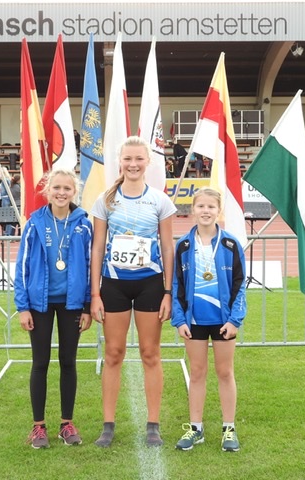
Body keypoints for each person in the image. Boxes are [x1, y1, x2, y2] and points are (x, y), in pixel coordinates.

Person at [90, 135, 176, 448]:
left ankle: (153, 424)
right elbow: (97, 247)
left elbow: (168, 247)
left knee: (150, 353)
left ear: (147, 162)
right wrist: (95, 293)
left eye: (139, 159)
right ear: (120, 162)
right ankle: (108, 425)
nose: (133, 164)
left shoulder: (160, 201)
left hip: (150, 283)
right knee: (113, 353)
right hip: (114, 284)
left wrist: (168, 291)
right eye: (128, 159)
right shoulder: (106, 200)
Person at [14, 169, 93, 449]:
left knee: (68, 362)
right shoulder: (35, 223)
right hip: (40, 304)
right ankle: (38, 427)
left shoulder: (84, 224)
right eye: (56, 188)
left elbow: (89, 265)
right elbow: (22, 267)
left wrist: (87, 306)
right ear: (48, 190)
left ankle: (66, 423)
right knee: (41, 362)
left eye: (67, 189)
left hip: (72, 304)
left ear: (75, 192)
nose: (61, 193)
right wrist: (23, 307)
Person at [171, 187, 247, 452]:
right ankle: (196, 428)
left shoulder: (230, 244)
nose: (205, 211)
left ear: (218, 211)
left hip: (224, 321)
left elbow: (240, 284)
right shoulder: (183, 245)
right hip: (194, 322)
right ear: (193, 210)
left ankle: (229, 428)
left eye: (211, 207)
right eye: (200, 206)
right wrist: (180, 320)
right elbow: (176, 285)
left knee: (225, 372)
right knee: (197, 372)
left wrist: (235, 320)